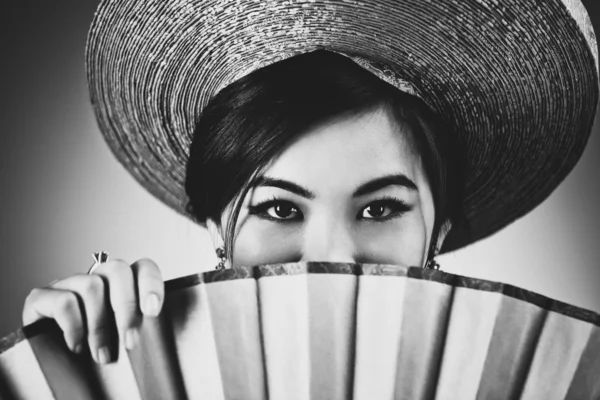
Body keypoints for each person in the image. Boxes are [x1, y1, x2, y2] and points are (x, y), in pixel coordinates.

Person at [20, 0, 599, 368]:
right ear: (217, 228)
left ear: (437, 234)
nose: (330, 259)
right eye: (278, 208)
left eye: (379, 210)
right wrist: (65, 376)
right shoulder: (136, 376)